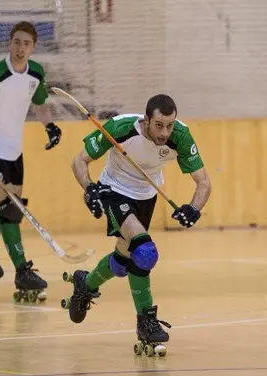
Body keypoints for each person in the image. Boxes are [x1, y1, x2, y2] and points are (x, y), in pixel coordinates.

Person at [66, 94, 212, 356]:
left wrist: (194, 209)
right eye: (159, 125)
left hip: (146, 195)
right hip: (114, 190)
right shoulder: (120, 128)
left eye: (169, 125)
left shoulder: (181, 135)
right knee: (144, 252)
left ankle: (85, 284)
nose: (165, 132)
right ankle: (146, 320)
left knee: (124, 262)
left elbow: (203, 182)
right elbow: (79, 161)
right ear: (146, 120)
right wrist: (90, 190)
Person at [0, 21, 62, 302]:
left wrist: (50, 127)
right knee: (10, 208)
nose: (20, 48)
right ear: (10, 42)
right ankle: (22, 271)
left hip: (14, 150)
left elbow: (39, 102)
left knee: (10, 207)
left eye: (26, 44)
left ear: (33, 47)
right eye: (16, 42)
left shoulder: (36, 72)